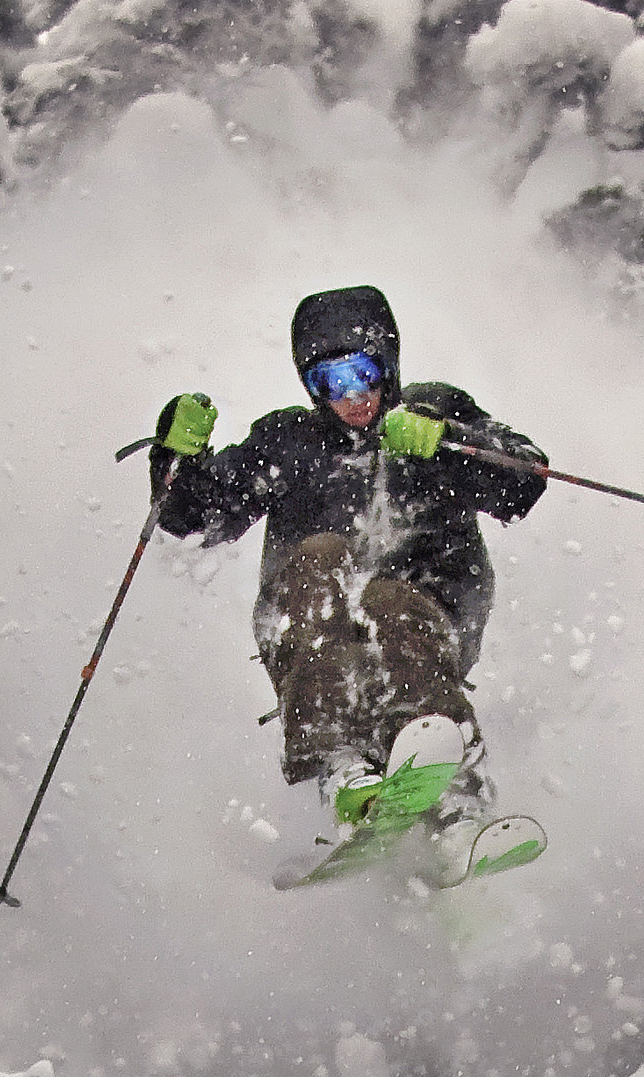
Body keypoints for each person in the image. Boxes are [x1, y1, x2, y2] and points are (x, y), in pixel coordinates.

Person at [151, 284, 546, 807]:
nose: (352, 396)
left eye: (363, 373)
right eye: (330, 381)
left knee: (386, 599)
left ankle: (449, 776)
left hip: (431, 619)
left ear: (388, 364)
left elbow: (524, 481)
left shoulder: (433, 412)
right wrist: (177, 461)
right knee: (319, 556)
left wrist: (447, 443)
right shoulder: (289, 443)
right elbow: (198, 522)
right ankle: (341, 760)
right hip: (311, 636)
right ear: (311, 387)